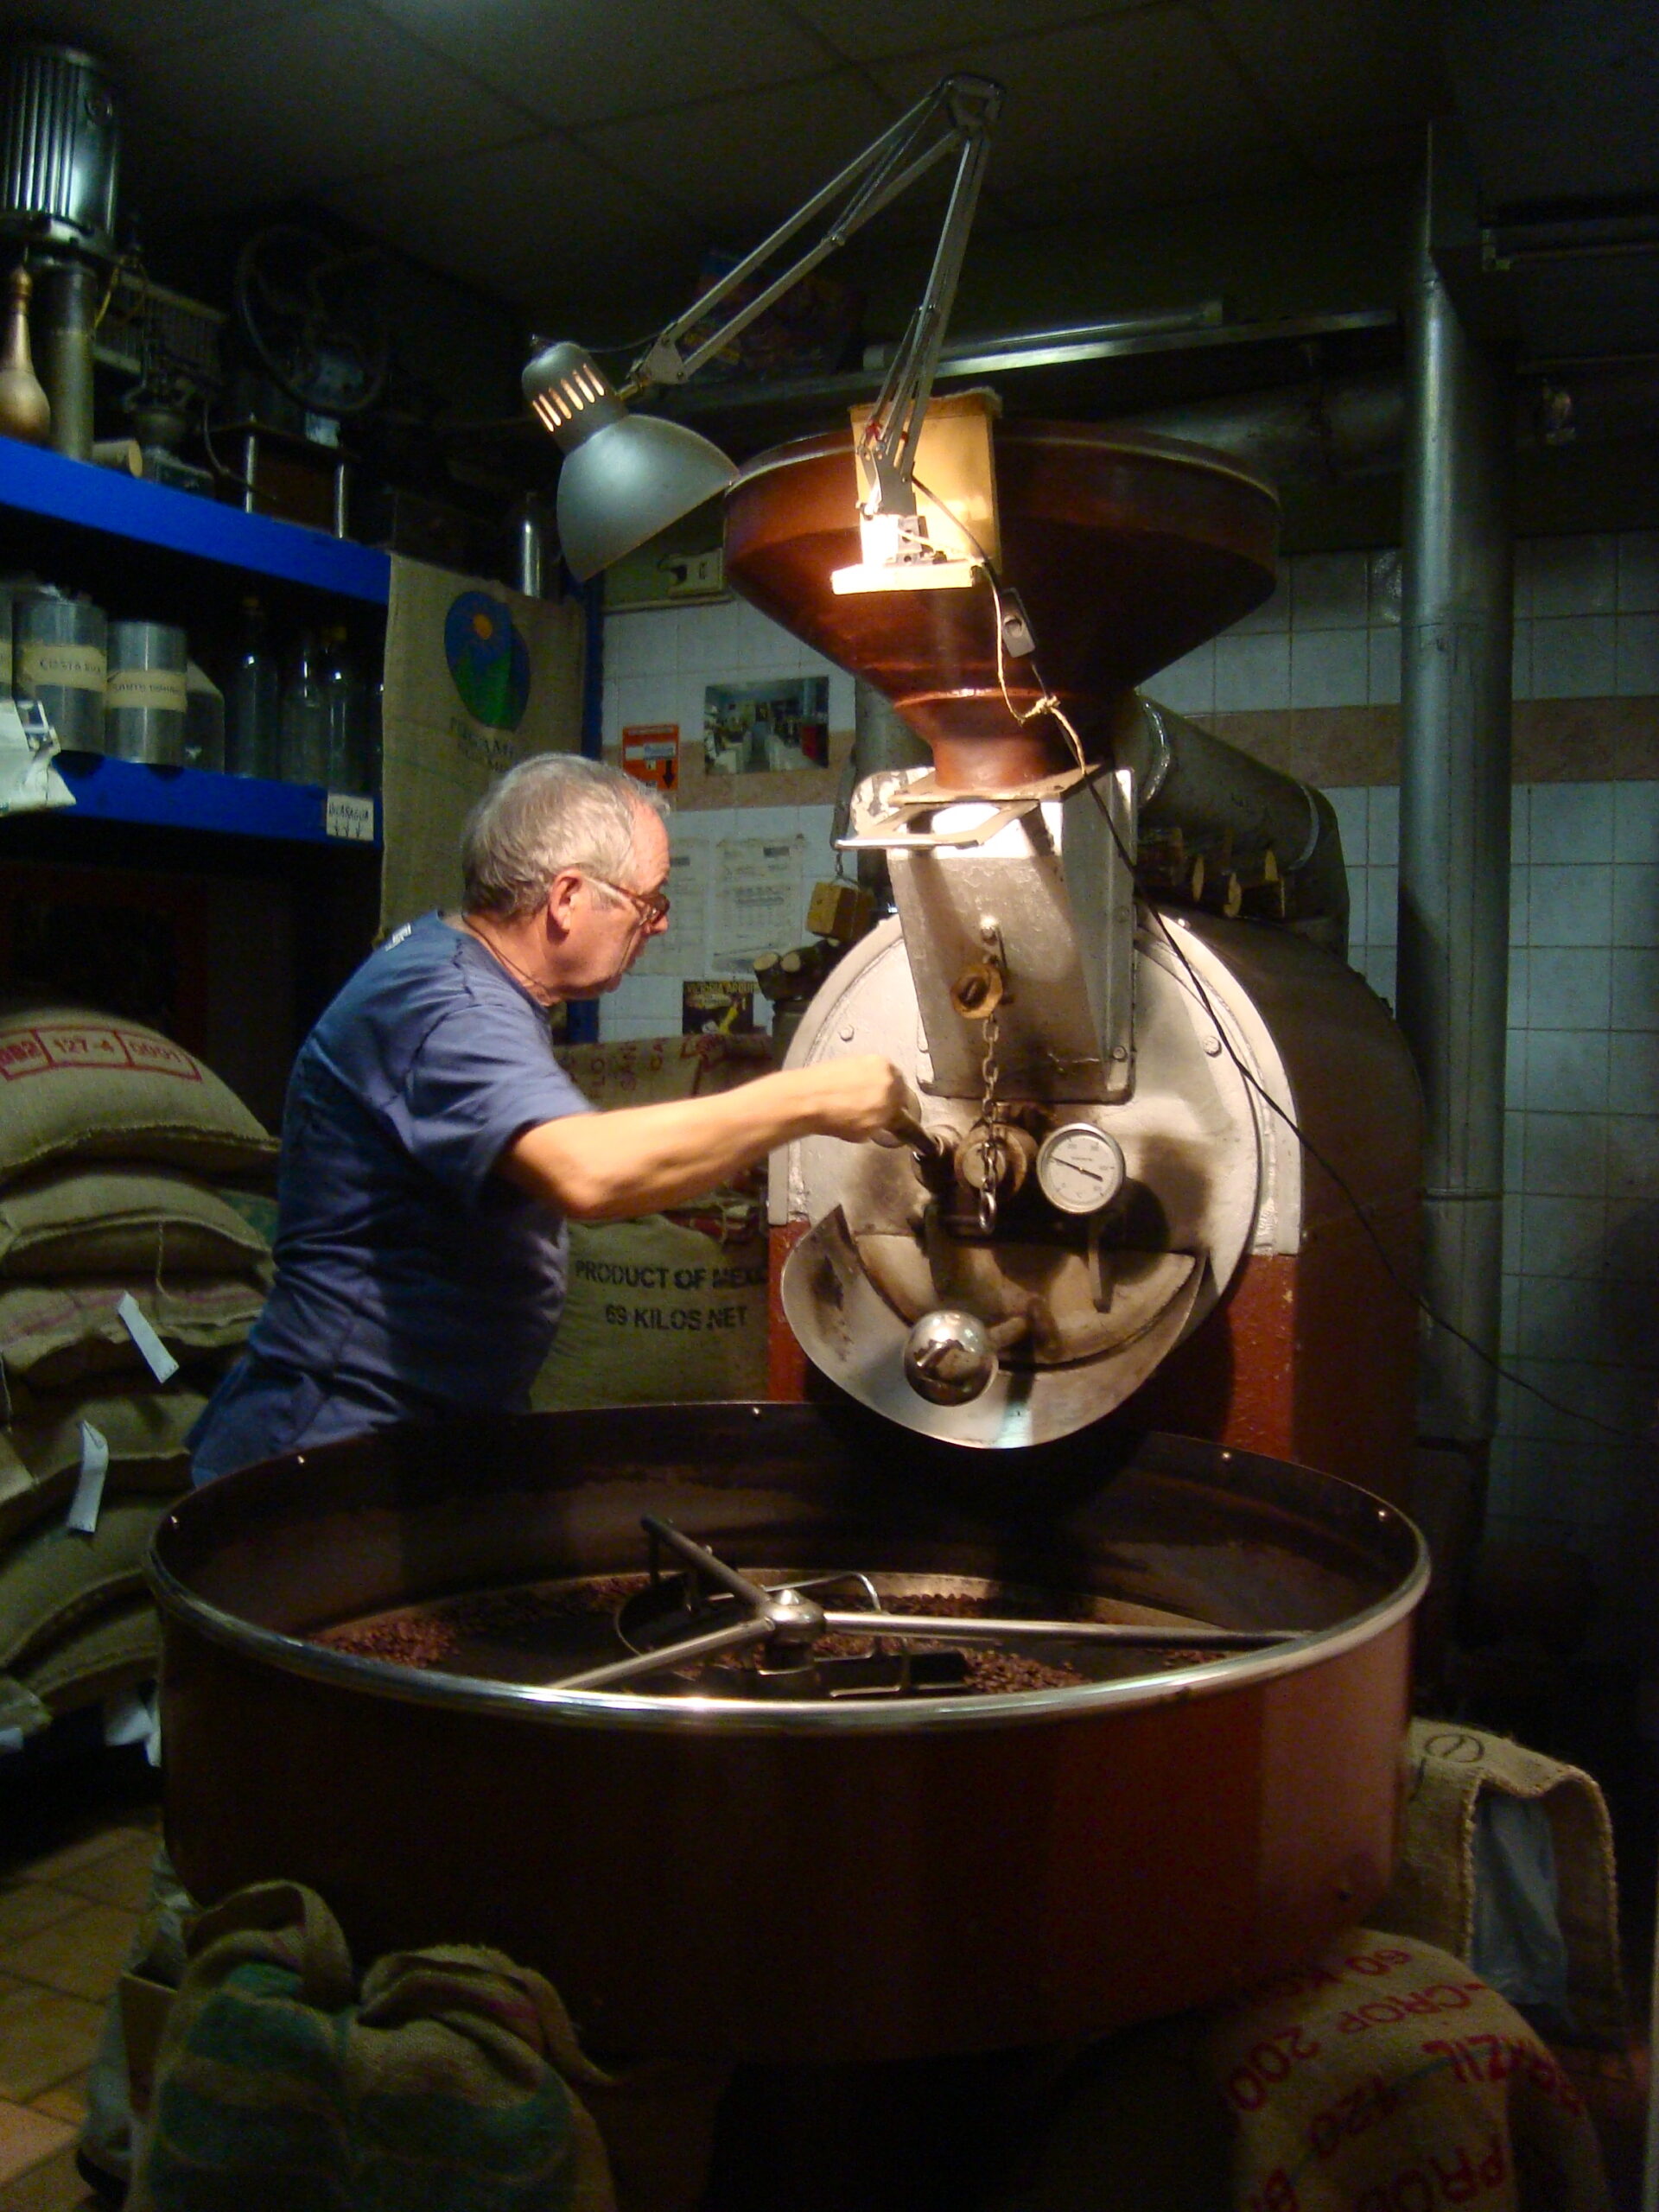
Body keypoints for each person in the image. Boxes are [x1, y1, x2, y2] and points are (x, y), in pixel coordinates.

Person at [187, 750, 910, 1484]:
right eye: (648, 902)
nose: (658, 926)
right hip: (330, 1451)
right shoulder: (452, 1008)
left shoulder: (464, 968)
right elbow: (587, 1172)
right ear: (566, 897)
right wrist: (813, 1098)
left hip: (430, 1435)